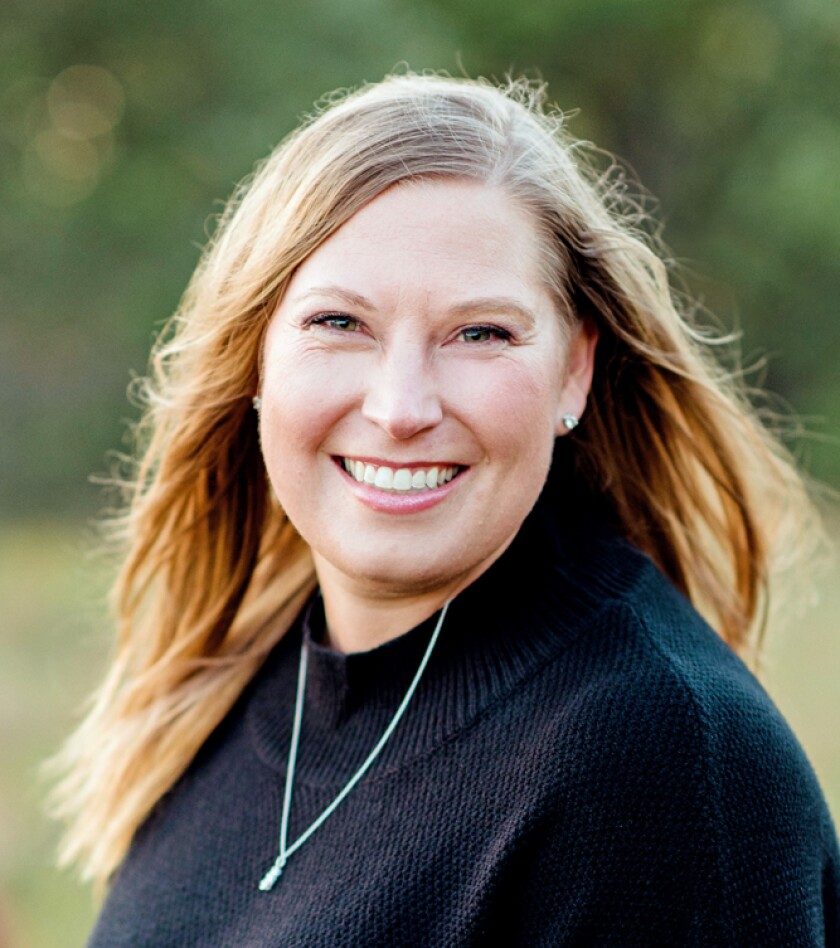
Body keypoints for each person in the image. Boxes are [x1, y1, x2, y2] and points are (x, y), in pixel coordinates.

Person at [51, 74, 839, 945]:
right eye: (340, 323)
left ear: (574, 370)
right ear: (258, 358)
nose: (400, 407)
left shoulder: (665, 763)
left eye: (481, 333)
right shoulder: (225, 683)